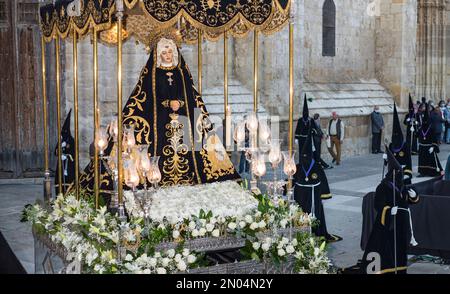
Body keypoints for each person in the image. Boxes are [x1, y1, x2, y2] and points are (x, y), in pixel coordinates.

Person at [118, 35, 240, 186]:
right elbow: (148, 96)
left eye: (170, 52)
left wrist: (180, 102)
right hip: (159, 120)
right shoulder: (152, 74)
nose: (168, 56)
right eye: (164, 53)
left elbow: (189, 94)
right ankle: (155, 176)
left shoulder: (181, 72)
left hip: (184, 117)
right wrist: (168, 102)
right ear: (158, 54)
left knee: (193, 143)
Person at [361, 145, 419, 274]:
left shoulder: (401, 185)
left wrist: (414, 196)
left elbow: (408, 200)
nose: (401, 176)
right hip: (386, 225)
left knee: (399, 249)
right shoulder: (382, 187)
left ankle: (399, 269)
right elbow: (378, 205)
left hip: (400, 225)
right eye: (399, 173)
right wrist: (388, 210)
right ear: (393, 173)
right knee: (386, 248)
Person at [293, 127, 341, 242]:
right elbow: (292, 178)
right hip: (301, 196)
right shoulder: (298, 166)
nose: (305, 158)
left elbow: (323, 181)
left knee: (314, 215)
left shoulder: (317, 167)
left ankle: (315, 231)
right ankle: (300, 231)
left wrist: (325, 194)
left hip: (313, 196)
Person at [389, 103, 412, 185]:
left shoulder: (405, 145)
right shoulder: (391, 145)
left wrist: (408, 173)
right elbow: (390, 160)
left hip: (404, 170)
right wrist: (385, 158)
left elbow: (409, 160)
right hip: (393, 173)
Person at [418, 103, 444, 177]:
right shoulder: (421, 129)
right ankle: (422, 172)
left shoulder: (431, 129)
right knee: (422, 160)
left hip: (429, 147)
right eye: (424, 121)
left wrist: (433, 146)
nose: (425, 123)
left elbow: (434, 138)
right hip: (422, 147)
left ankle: (432, 171)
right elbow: (418, 136)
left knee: (431, 160)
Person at [54, 109, 75, 195]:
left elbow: (73, 153)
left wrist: (67, 156)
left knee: (69, 180)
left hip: (69, 165)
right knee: (60, 180)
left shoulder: (71, 140)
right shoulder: (61, 141)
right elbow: (55, 152)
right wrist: (59, 150)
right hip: (61, 165)